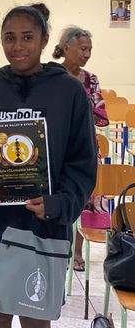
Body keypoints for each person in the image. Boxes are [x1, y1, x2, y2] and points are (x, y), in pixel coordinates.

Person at [0, 3, 97, 328]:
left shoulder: (69, 92)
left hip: (44, 225)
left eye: (27, 37)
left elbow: (83, 162)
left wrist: (59, 203)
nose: (17, 47)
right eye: (9, 38)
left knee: (36, 315)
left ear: (45, 40)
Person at [53, 26, 109, 271]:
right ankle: (55, 249)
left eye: (89, 50)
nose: (86, 54)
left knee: (80, 199)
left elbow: (101, 116)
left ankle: (76, 252)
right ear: (66, 48)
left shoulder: (91, 80)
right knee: (56, 198)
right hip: (55, 147)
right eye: (82, 48)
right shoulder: (51, 75)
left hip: (84, 147)